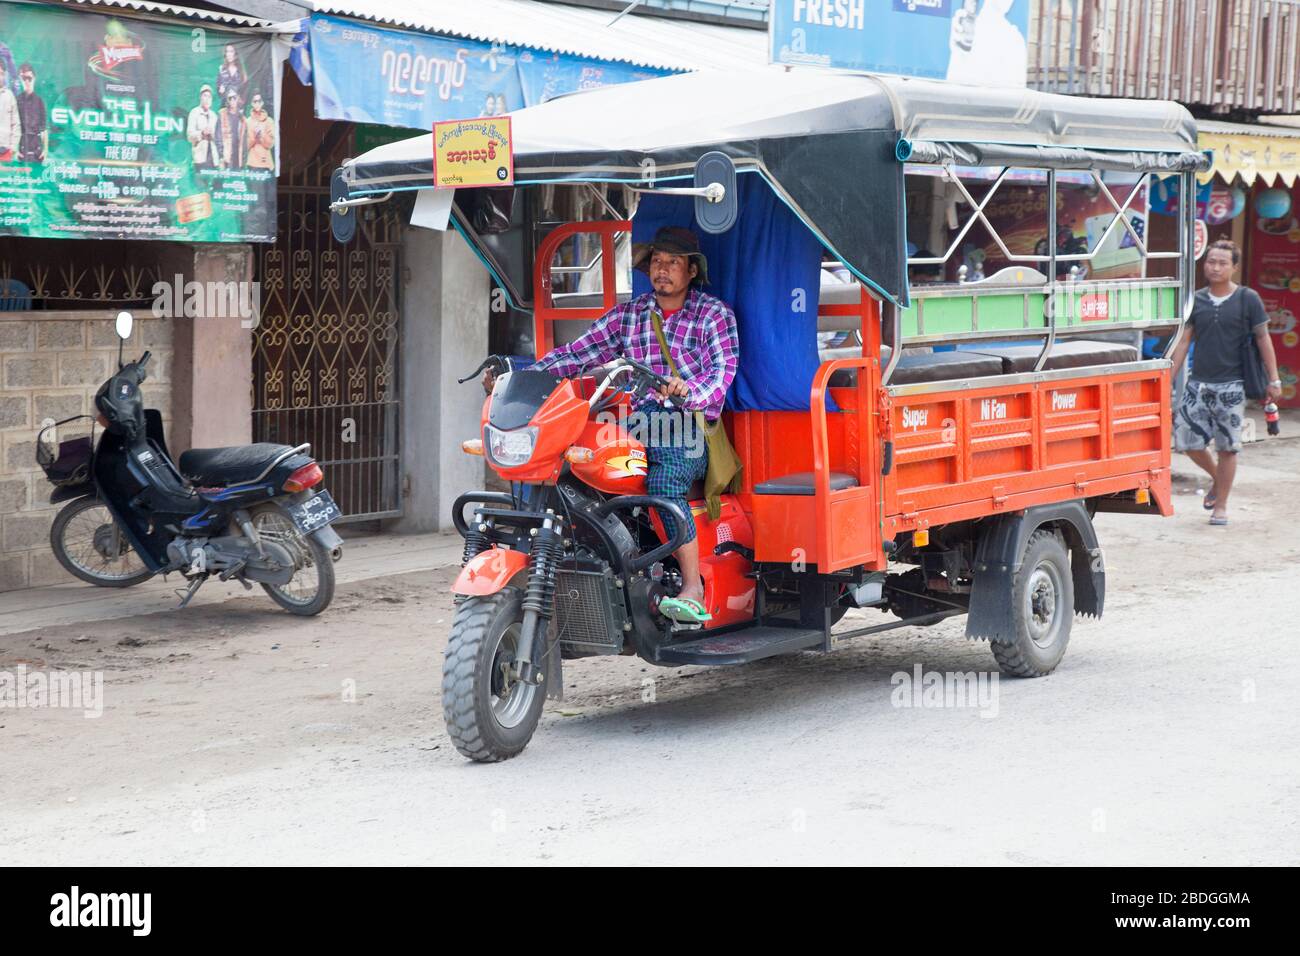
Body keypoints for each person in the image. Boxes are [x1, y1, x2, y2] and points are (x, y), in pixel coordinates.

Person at [486, 226, 739, 624]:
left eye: (673, 263)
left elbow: (720, 377)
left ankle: (692, 588)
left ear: (691, 271)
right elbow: (576, 354)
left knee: (664, 484)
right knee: (569, 463)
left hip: (685, 425)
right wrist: (523, 376)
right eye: (657, 261)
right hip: (632, 421)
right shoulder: (630, 315)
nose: (663, 270)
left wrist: (685, 390)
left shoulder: (713, 315)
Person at [1169, 239, 1282, 526]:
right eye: (1211, 262)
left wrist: (1274, 379)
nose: (1215, 267)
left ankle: (1221, 507)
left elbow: (1263, 339)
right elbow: (1184, 341)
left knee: (1228, 447)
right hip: (1198, 385)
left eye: (1222, 263)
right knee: (1187, 441)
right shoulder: (1197, 299)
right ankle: (1218, 479)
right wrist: (1167, 378)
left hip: (1233, 387)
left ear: (1234, 267)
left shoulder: (1248, 299)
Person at [16, 63, 46, 163]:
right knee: (20, 177)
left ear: (34, 78)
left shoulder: (39, 101)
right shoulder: (16, 101)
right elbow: (13, 127)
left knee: (37, 176)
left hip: (36, 148)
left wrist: (45, 150)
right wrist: (15, 149)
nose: (27, 81)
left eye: (29, 78)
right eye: (24, 78)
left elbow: (44, 129)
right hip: (21, 147)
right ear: (20, 79)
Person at [186, 85, 220, 169]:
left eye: (209, 97)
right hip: (199, 159)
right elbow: (189, 136)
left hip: (213, 159)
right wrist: (202, 133)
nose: (207, 99)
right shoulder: (194, 113)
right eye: (205, 96)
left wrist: (213, 134)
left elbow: (218, 138)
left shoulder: (214, 116)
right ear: (200, 98)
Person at [245, 91, 275, 170]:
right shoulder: (247, 122)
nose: (257, 103)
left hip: (266, 163)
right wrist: (254, 137)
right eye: (255, 101)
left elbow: (271, 144)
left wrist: (262, 135)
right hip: (252, 163)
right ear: (252, 103)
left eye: (259, 101)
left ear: (262, 103)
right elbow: (245, 146)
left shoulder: (269, 121)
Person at [216, 89, 246, 168]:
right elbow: (218, 137)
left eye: (234, 97)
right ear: (227, 100)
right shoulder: (222, 114)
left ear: (237, 98)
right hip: (226, 158)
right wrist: (221, 155)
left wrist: (243, 160)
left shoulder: (242, 118)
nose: (232, 100)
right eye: (230, 98)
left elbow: (244, 141)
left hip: (238, 158)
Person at [0, 60, 21, 161]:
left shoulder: (9, 96)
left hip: (5, 151)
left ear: (4, 75)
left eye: (1, 74)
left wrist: (12, 148)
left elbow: (16, 124)